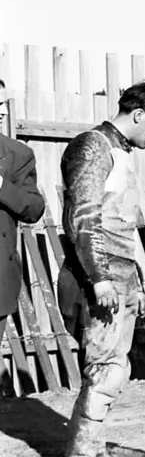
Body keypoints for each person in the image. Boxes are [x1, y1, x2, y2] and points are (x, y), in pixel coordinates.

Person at [57, 81, 145, 457]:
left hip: (120, 281)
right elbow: (82, 217)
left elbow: (123, 228)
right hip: (96, 282)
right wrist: (100, 278)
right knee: (104, 375)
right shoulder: (93, 146)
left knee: (112, 375)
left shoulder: (121, 151)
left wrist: (135, 285)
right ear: (139, 115)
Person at [0, 80, 47, 347]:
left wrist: (1, 187)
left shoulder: (17, 155)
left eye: (3, 104)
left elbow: (33, 208)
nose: (4, 113)